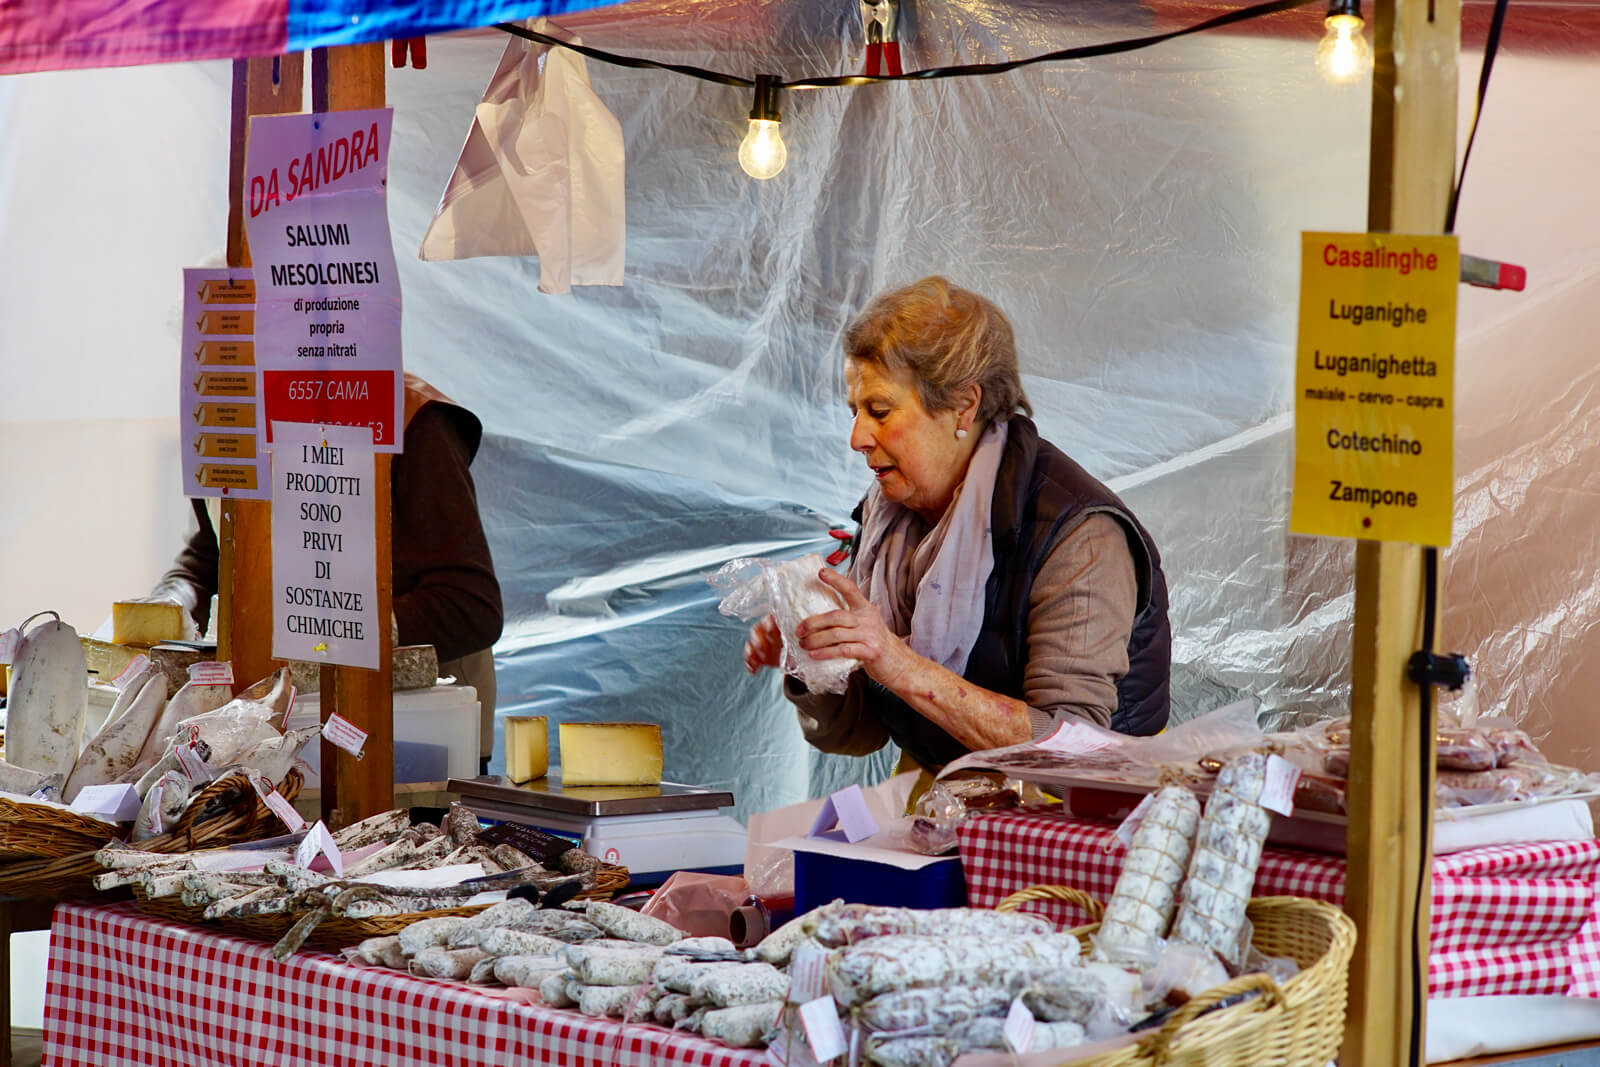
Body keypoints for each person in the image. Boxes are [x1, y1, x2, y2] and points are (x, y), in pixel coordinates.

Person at [742, 277, 1171, 771]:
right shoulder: (888, 520)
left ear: (964, 405)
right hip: (955, 796)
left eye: (879, 411)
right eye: (854, 411)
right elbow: (861, 735)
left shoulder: (1079, 537)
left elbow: (1069, 751)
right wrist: (814, 659)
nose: (857, 437)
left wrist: (897, 663)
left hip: (1083, 821)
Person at [154, 373, 505, 773]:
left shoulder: (412, 417)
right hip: (271, 735)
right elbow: (210, 555)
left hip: (417, 742)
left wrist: (318, 631)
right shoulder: (224, 418)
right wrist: (170, 604)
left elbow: (470, 606)